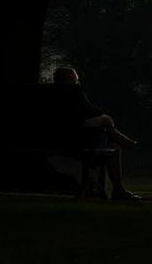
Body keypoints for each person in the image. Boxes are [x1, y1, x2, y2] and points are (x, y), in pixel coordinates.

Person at [51, 67, 140, 200]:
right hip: (76, 137)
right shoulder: (73, 91)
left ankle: (118, 139)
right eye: (76, 78)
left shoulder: (52, 94)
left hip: (59, 136)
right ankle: (118, 188)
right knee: (106, 121)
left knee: (110, 138)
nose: (77, 81)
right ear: (70, 79)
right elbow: (92, 111)